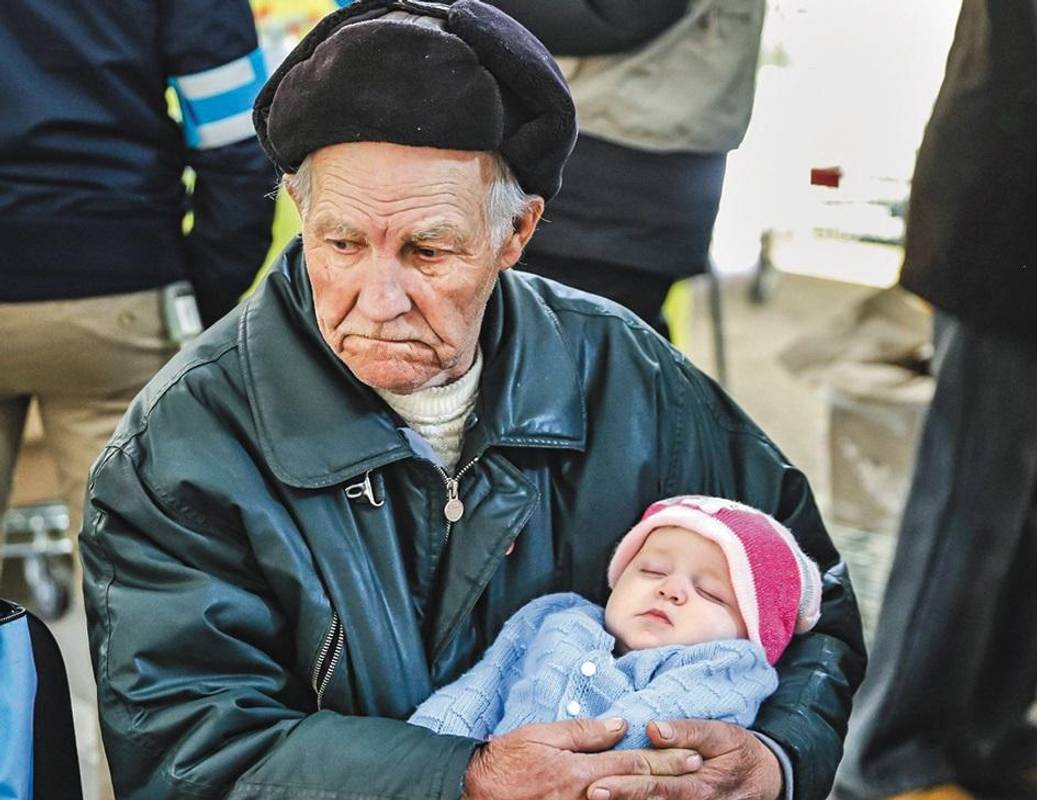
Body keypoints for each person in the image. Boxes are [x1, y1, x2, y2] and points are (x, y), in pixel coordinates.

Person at [79, 3, 865, 799]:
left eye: (427, 250)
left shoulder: (629, 376)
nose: (378, 299)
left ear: (516, 233)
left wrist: (776, 756)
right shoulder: (182, 443)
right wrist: (461, 781)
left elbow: (813, 603)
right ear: (298, 208)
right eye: (341, 243)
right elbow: (188, 752)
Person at [833, 1, 1037, 799]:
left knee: (1021, 517)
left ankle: (983, 735)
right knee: (969, 502)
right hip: (1010, 215)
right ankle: (889, 757)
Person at [0, 0, 275, 572]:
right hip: (115, 289)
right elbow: (238, 139)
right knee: (129, 581)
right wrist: (198, 292)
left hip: (112, 270)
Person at [410, 495, 822, 748]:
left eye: (711, 593)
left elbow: (643, 736)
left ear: (751, 635)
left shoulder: (727, 668)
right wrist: (435, 762)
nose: (671, 589)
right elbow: (477, 691)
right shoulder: (554, 617)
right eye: (652, 570)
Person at [484, 0, 765, 337]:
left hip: (606, 179)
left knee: (569, 348)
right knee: (592, 348)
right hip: (626, 168)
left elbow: (624, 15)